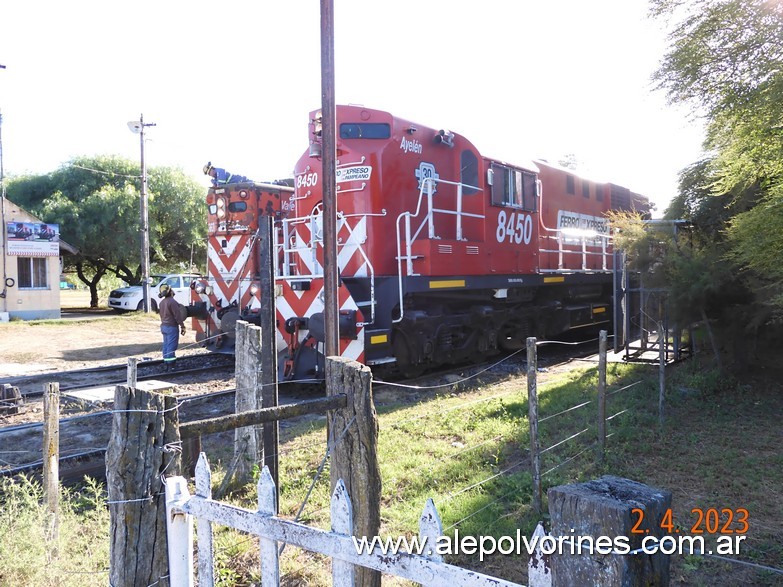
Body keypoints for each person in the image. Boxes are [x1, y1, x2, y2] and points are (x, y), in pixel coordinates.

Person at [158, 284, 186, 370]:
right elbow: (177, 315)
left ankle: (166, 362)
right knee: (171, 346)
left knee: (166, 345)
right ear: (170, 291)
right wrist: (182, 326)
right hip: (171, 327)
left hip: (164, 326)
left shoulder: (161, 303)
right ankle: (171, 365)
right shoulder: (172, 302)